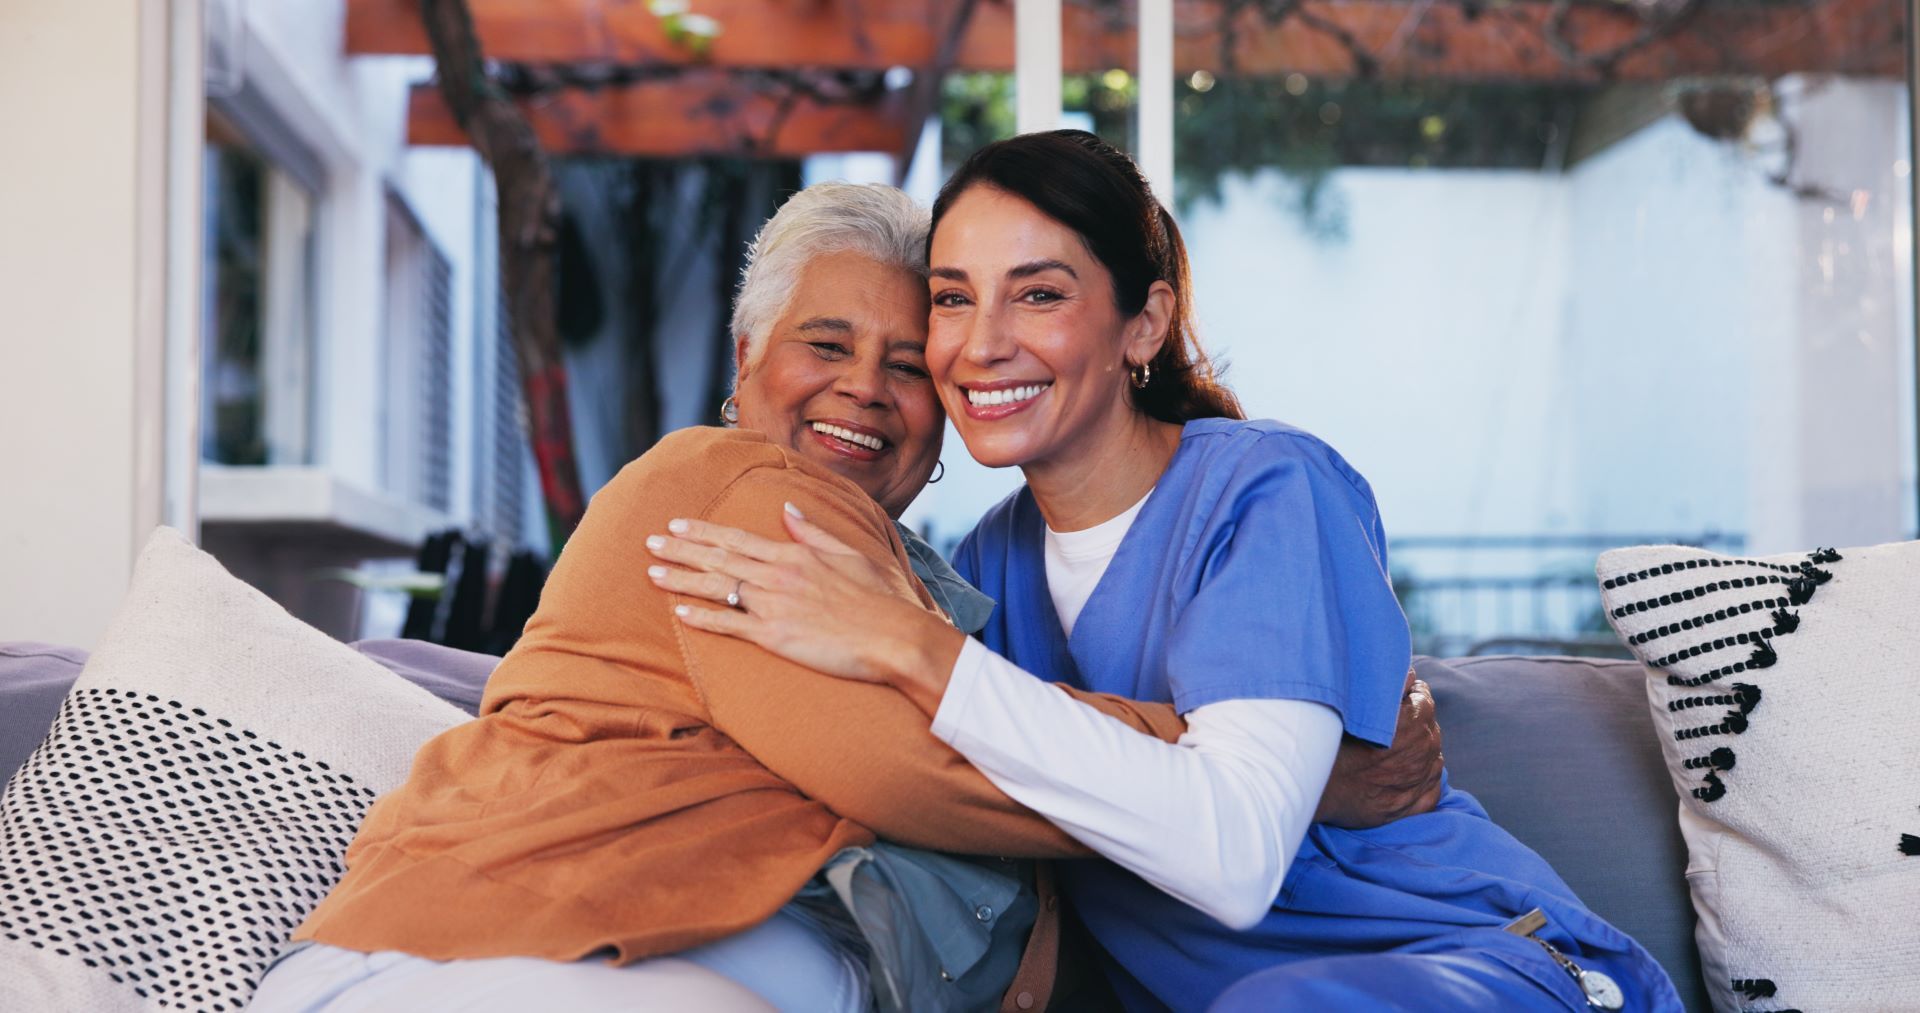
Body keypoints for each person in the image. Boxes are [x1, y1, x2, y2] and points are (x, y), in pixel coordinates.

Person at [250, 182, 1439, 1013]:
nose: (865, 390)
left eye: (910, 364)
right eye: (826, 344)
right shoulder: (737, 488)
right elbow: (910, 762)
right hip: (476, 963)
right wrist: (1255, 770)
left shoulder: (938, 579)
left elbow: (988, 737)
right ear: (743, 367)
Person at [650, 132, 1683, 1013]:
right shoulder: (989, 566)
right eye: (955, 300)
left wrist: (908, 645)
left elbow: (1230, 859)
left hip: (1477, 970)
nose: (983, 343)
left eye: (1040, 293)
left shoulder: (1265, 489)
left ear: (1142, 322)